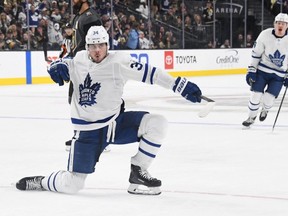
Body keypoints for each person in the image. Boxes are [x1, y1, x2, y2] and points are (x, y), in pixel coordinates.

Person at [16, 26, 202, 195]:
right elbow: (64, 64)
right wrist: (55, 66)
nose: (97, 50)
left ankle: (138, 171)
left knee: (157, 123)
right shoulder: (79, 59)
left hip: (114, 125)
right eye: (93, 46)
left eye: (101, 45)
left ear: (107, 45)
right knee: (72, 185)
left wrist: (179, 85)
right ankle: (42, 182)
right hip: (87, 133)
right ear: (87, 47)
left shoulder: (118, 62)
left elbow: (152, 73)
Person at [65, 0, 102, 150]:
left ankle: (98, 137)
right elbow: (77, 40)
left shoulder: (91, 17)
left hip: (87, 67)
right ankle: (81, 135)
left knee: (88, 102)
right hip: (77, 65)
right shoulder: (77, 17)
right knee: (74, 100)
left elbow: (99, 42)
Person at [242, 13, 288, 128]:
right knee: (255, 95)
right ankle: (251, 117)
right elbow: (256, 53)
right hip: (262, 71)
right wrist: (251, 70)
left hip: (279, 75)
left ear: (287, 25)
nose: (280, 25)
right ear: (274, 24)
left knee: (268, 99)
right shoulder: (265, 34)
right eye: (278, 23)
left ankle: (266, 109)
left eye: (283, 23)